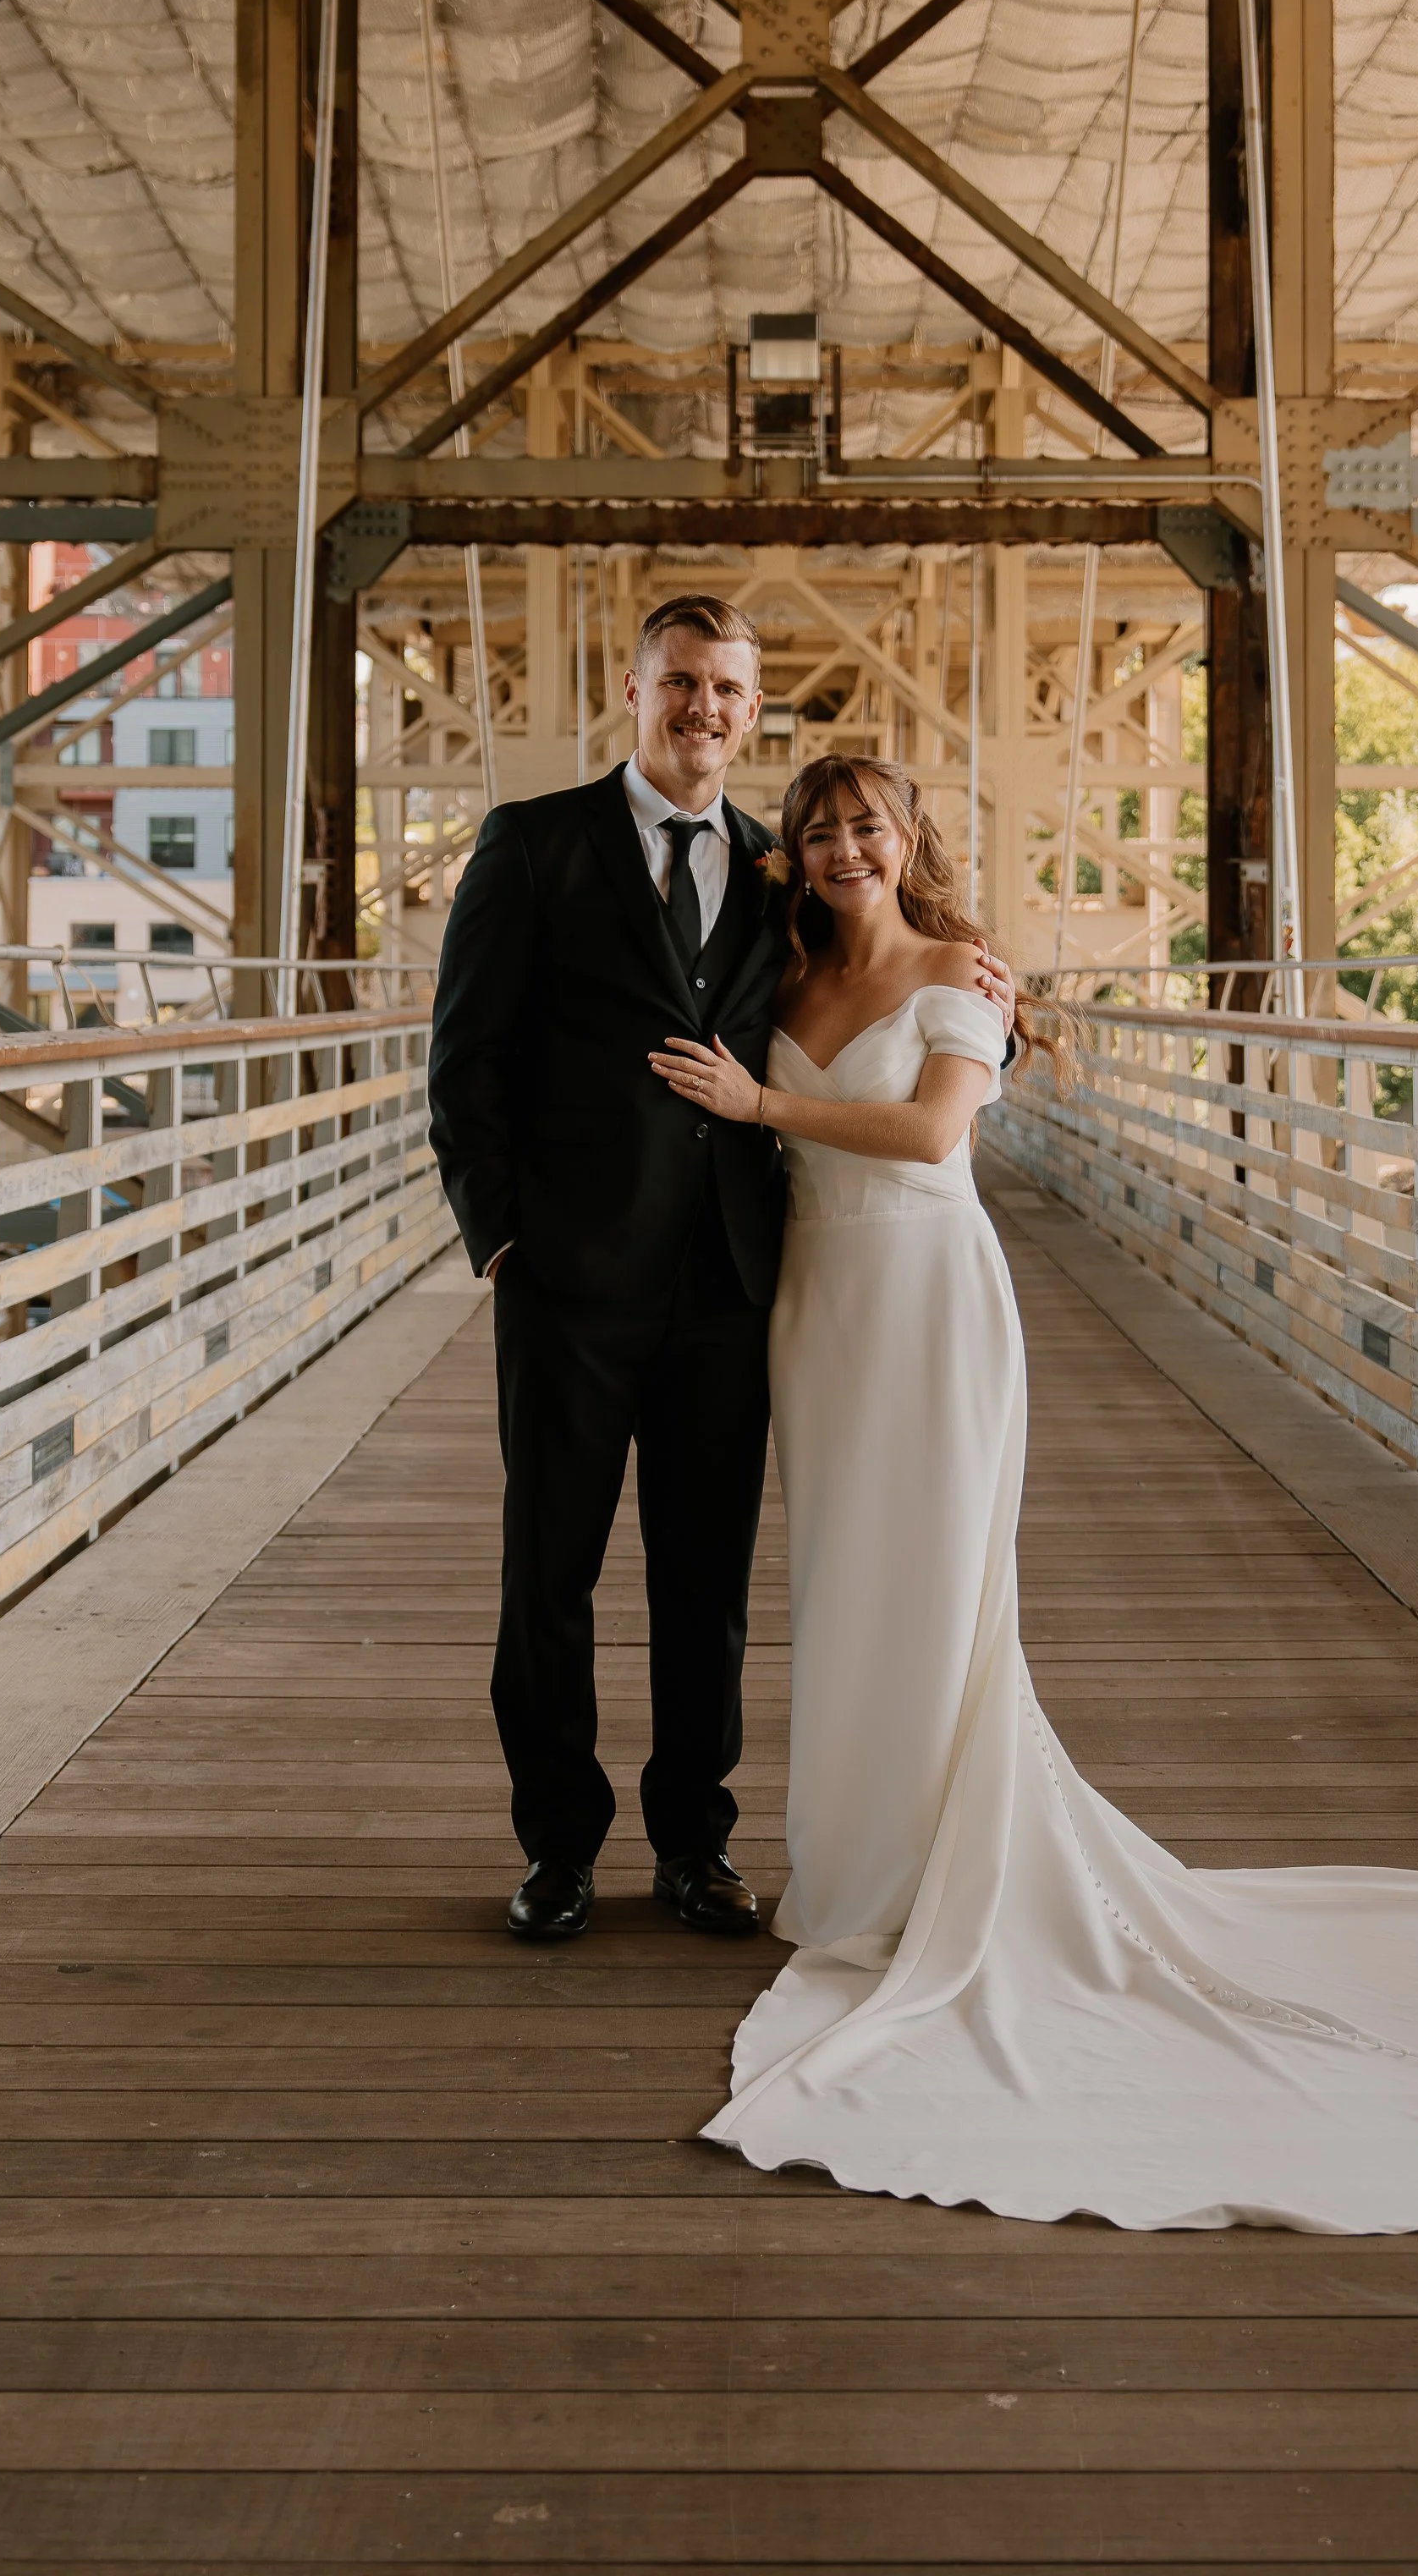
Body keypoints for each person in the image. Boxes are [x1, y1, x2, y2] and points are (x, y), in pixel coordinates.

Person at [650, 754, 1418, 2234]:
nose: (840, 846)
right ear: (796, 855)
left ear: (910, 838)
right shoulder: (785, 973)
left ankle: (930, 1877)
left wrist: (762, 1104)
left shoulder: (962, 974)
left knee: (938, 1588)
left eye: (865, 824)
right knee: (842, 1584)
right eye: (817, 830)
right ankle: (853, 1875)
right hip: (818, 1310)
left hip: (931, 1300)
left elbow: (938, 1133)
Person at [427, 598, 1011, 1947]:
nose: (705, 709)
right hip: (568, 1281)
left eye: (730, 691)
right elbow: (466, 1062)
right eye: (681, 682)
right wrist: (501, 1235)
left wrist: (983, 989)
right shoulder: (532, 846)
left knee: (707, 1583)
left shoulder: (777, 872)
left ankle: (694, 1846)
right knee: (548, 1571)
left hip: (734, 1288)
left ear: (754, 713)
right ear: (634, 692)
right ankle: (560, 1848)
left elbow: (881, 979)